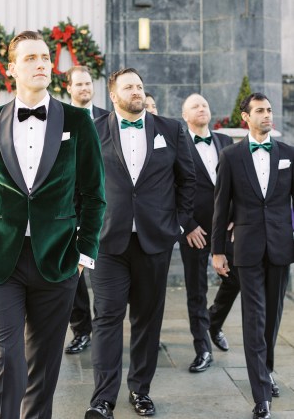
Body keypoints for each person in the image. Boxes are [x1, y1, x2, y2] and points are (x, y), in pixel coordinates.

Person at [0, 30, 106, 419]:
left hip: (58, 259)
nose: (42, 63)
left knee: (44, 364)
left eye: (45, 57)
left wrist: (84, 254)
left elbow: (95, 195)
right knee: (6, 358)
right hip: (0, 260)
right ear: (11, 68)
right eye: (30, 58)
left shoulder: (77, 121)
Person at [85, 68, 196, 419]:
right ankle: (103, 400)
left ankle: (141, 391)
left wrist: (175, 225)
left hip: (155, 241)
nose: (136, 90)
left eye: (140, 86)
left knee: (148, 319)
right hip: (107, 242)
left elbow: (187, 181)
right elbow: (78, 183)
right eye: (128, 86)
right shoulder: (94, 130)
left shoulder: (171, 129)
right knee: (106, 318)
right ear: (113, 94)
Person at [212, 93, 294, 419]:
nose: (267, 115)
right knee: (254, 319)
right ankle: (260, 395)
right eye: (259, 111)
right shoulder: (231, 156)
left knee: (272, 317)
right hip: (246, 247)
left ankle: (267, 371)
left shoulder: (288, 154)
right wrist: (217, 250)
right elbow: (220, 208)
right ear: (245, 117)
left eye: (269, 110)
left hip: (279, 246)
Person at [181, 93, 240, 372]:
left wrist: (237, 216)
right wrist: (187, 224)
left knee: (237, 276)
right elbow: (170, 189)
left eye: (204, 104)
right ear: (185, 115)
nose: (201, 108)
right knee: (197, 289)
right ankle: (202, 348)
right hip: (195, 230)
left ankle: (213, 322)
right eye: (195, 106)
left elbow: (240, 183)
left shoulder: (225, 141)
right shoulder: (177, 145)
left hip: (226, 228)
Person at [65, 65, 109, 355]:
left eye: (88, 83)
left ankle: (105, 327)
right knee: (73, 275)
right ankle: (81, 329)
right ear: (68, 88)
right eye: (78, 84)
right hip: (69, 206)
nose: (84, 88)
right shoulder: (60, 119)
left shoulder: (108, 119)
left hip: (105, 206)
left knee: (104, 272)